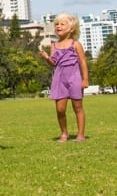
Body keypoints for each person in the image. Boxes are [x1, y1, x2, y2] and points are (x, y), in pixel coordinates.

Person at [39, 12, 89, 142]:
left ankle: (80, 135)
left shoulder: (76, 44)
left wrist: (85, 79)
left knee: (77, 107)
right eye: (56, 24)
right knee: (60, 109)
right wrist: (46, 58)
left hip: (74, 78)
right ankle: (64, 133)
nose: (58, 26)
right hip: (59, 79)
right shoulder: (54, 46)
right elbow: (53, 63)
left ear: (72, 28)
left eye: (62, 24)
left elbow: (83, 62)